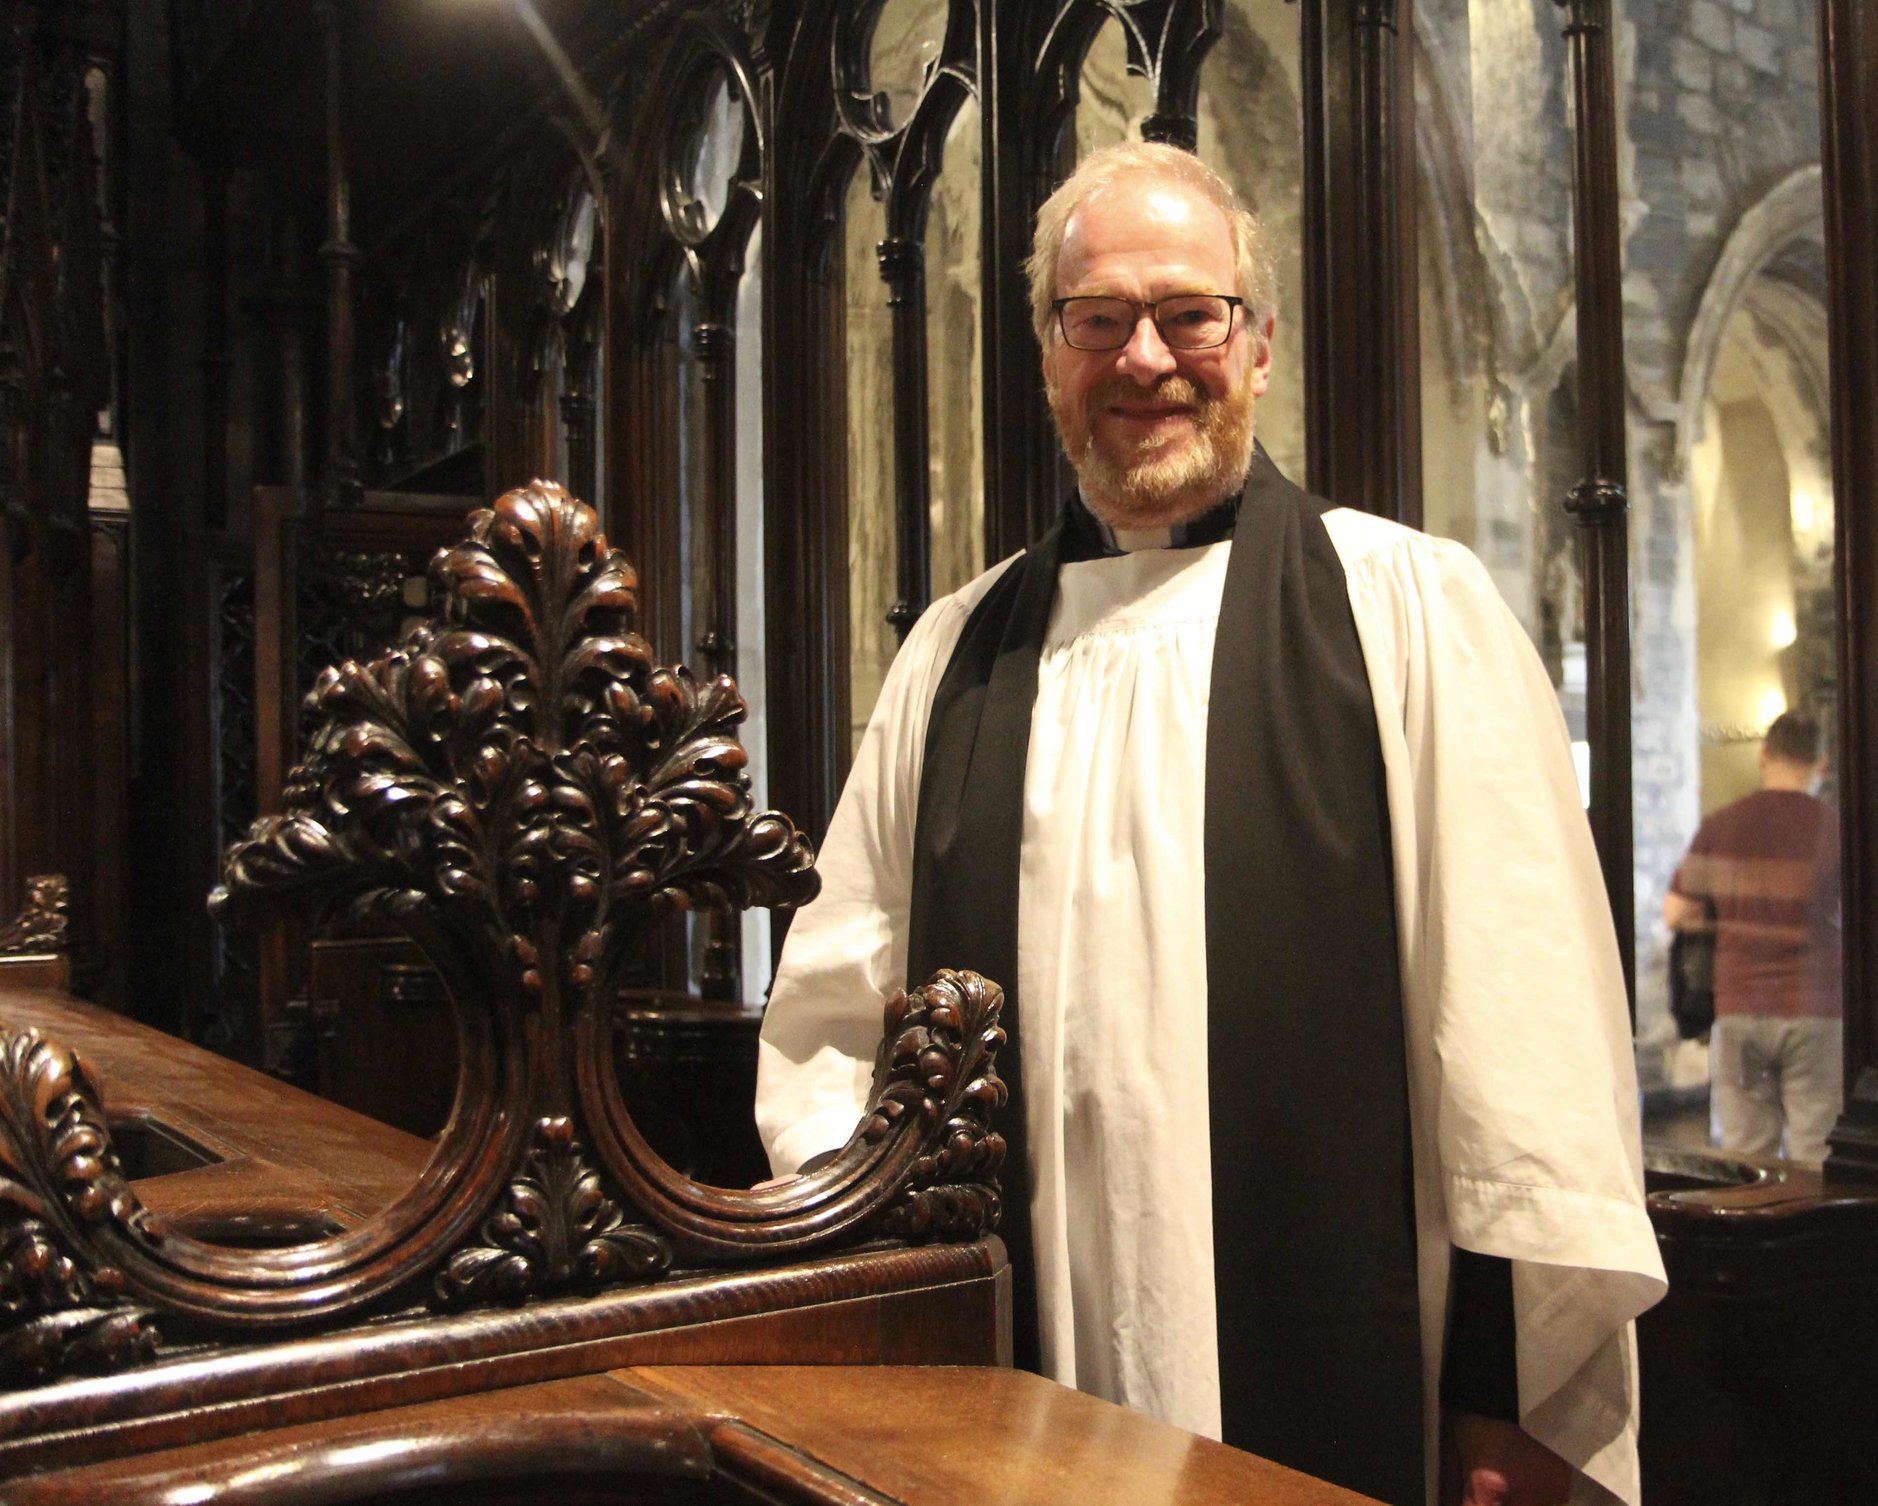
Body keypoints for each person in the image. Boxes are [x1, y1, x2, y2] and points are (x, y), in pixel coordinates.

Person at [755, 141, 1664, 1506]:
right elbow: (834, 1023)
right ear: (1048, 352)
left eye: (1188, 313)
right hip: (1016, 1377)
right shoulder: (955, 653)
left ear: (1257, 343)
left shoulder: (1409, 610)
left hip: (1361, 1390)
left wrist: (1500, 1388)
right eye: (1096, 321)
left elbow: (1520, 1046)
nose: (1144, 360)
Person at [1664, 710, 1843, 1163]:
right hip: (1815, 1006)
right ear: (1821, 763)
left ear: (1764, 756)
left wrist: (1725, 917)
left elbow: (1676, 911)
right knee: (1815, 1152)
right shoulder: (1836, 830)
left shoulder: (1723, 825)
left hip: (1740, 1004)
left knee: (1746, 1158)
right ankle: (1813, 1234)